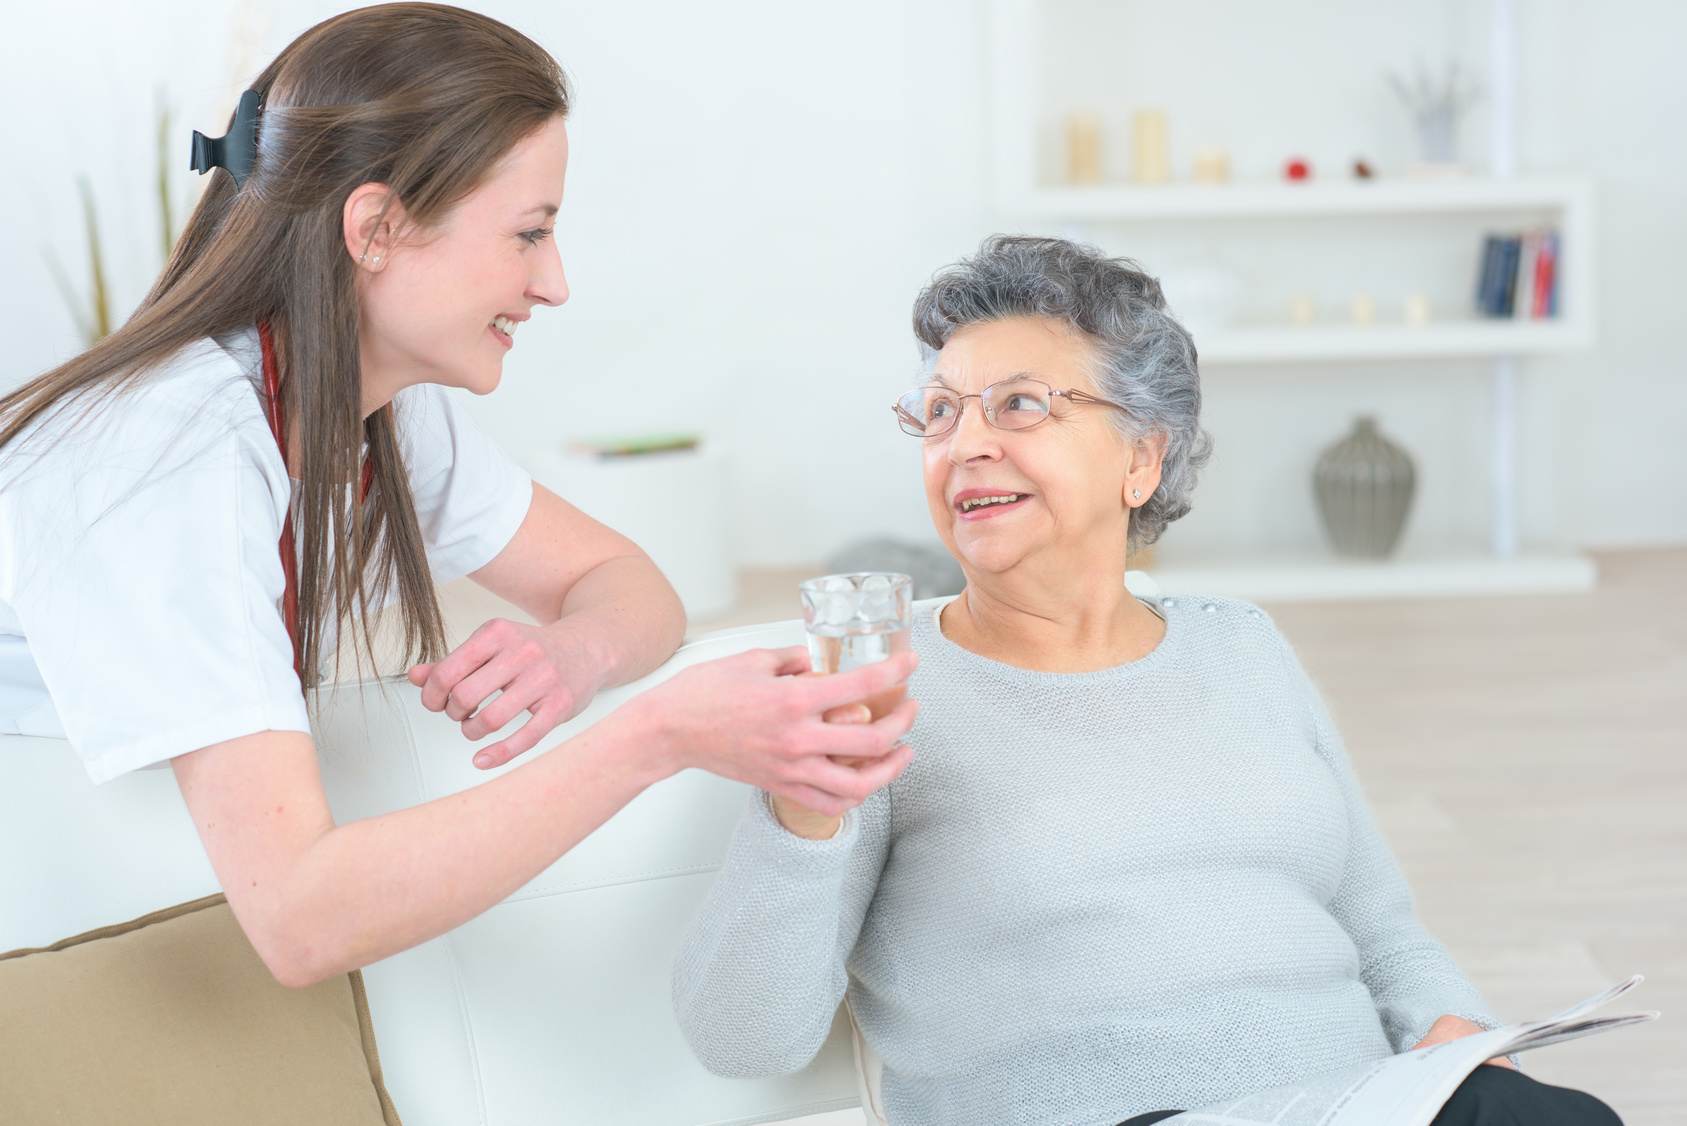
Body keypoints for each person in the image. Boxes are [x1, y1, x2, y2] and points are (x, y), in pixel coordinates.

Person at [0, 3, 916, 990]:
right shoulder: (170, 455)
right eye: (528, 234)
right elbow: (300, 919)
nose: (555, 283)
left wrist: (575, 652)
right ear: (377, 228)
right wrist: (659, 735)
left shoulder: (375, 405)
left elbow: (623, 581)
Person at [671, 237, 1620, 1126]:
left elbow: (1379, 925)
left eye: (1019, 405)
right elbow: (745, 1040)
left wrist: (1458, 1040)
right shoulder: (873, 693)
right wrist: (806, 808)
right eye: (941, 410)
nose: (964, 444)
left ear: (1142, 456)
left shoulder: (1240, 646)